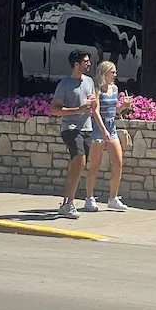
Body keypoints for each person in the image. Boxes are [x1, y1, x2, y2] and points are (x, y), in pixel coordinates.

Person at [51, 49, 97, 219]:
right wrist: (77, 110)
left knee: (78, 164)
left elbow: (94, 103)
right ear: (76, 64)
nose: (89, 64)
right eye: (86, 61)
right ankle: (69, 203)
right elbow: (55, 109)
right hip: (70, 127)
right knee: (79, 160)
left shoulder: (90, 82)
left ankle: (66, 202)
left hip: (87, 128)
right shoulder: (64, 84)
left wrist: (94, 103)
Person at [83, 60, 130, 212]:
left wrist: (123, 107)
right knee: (95, 165)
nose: (115, 75)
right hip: (99, 126)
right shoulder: (98, 89)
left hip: (112, 125)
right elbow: (95, 110)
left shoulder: (114, 89)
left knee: (118, 162)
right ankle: (89, 198)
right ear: (104, 73)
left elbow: (114, 110)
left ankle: (113, 198)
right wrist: (103, 130)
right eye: (112, 72)